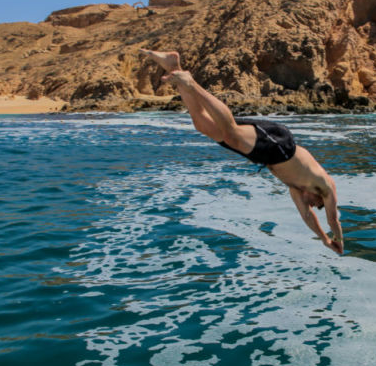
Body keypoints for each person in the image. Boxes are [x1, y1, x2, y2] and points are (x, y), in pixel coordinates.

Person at [140, 49, 343, 255]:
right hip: (281, 145)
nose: (312, 205)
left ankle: (175, 68)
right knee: (231, 133)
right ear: (319, 198)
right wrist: (338, 239)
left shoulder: (296, 188)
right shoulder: (325, 185)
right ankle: (191, 82)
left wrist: (325, 240)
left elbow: (307, 217)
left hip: (265, 155)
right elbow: (332, 218)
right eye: (317, 204)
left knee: (202, 124)